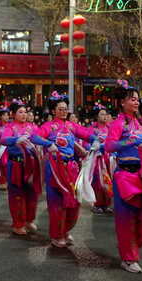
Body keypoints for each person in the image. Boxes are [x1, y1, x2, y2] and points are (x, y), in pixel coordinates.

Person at [105, 80, 142, 273]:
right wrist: (127, 141)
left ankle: (131, 248)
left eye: (137, 99)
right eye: (132, 99)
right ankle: (128, 257)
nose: (136, 102)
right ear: (122, 103)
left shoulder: (140, 123)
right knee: (126, 219)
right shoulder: (118, 123)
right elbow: (109, 146)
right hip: (125, 175)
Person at [37, 91, 95, 247]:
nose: (64, 111)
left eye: (65, 108)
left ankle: (66, 230)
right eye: (60, 109)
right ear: (53, 110)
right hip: (55, 167)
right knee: (56, 202)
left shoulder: (71, 126)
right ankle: (56, 235)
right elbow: (34, 137)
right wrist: (48, 144)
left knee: (74, 202)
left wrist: (96, 141)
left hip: (71, 168)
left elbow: (88, 135)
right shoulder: (48, 126)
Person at [0, 101, 52, 235]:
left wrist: (48, 143)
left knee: (32, 193)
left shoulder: (31, 127)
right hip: (16, 165)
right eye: (20, 112)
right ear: (13, 114)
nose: (24, 115)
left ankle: (29, 220)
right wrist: (15, 140)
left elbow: (36, 138)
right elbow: (3, 140)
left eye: (25, 112)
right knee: (17, 194)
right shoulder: (10, 128)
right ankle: (18, 224)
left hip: (31, 165)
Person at [90, 103, 113, 214]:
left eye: (106, 114)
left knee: (107, 181)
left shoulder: (110, 129)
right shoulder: (92, 129)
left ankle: (106, 204)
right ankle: (96, 204)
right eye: (102, 114)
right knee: (97, 182)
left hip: (107, 158)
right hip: (96, 159)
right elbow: (86, 143)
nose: (104, 116)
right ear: (97, 116)